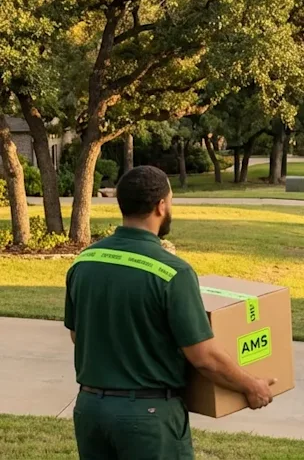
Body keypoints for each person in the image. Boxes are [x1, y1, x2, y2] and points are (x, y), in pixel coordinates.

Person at [66, 166, 275, 460]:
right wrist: (251, 386)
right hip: (148, 418)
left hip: (90, 411)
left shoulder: (84, 262)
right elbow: (205, 357)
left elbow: (79, 335)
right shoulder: (172, 272)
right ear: (160, 206)